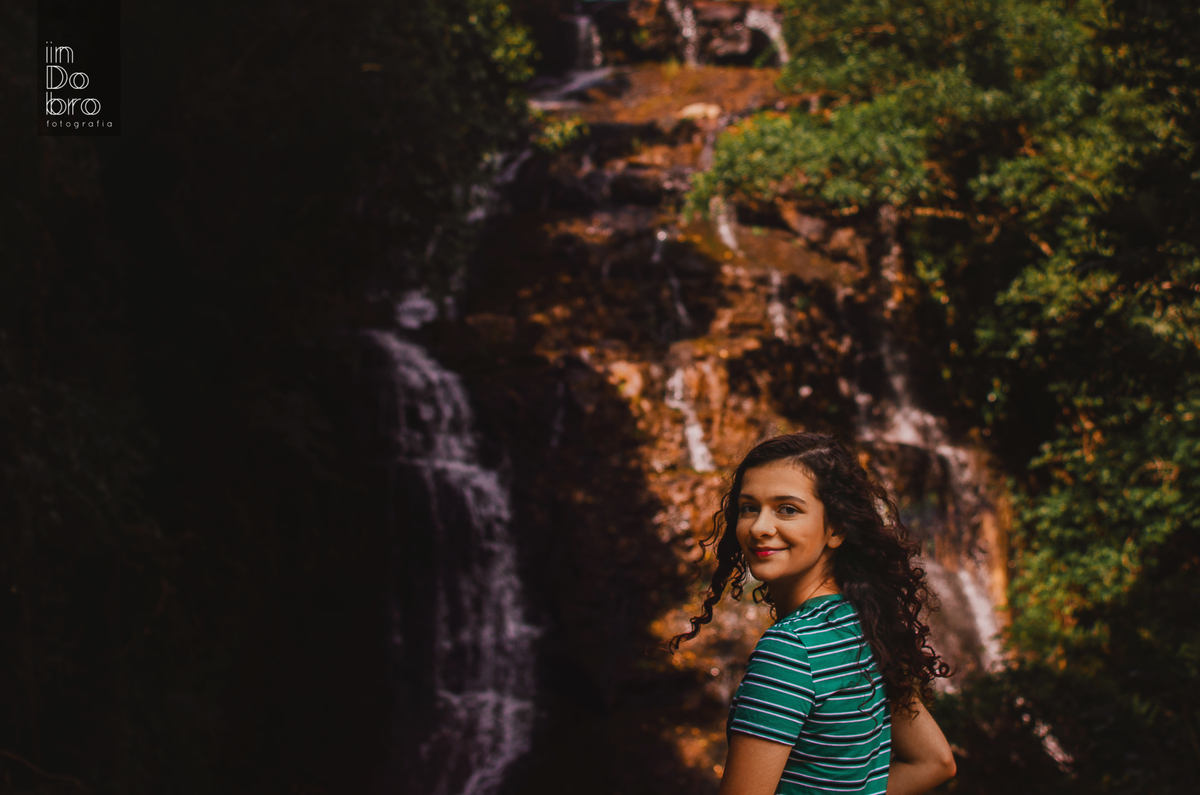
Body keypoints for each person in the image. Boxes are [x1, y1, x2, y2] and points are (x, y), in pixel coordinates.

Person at [670, 432, 957, 795]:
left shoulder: (789, 650)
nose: (760, 527)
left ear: (836, 529)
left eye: (787, 509)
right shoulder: (864, 623)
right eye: (748, 508)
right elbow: (934, 762)